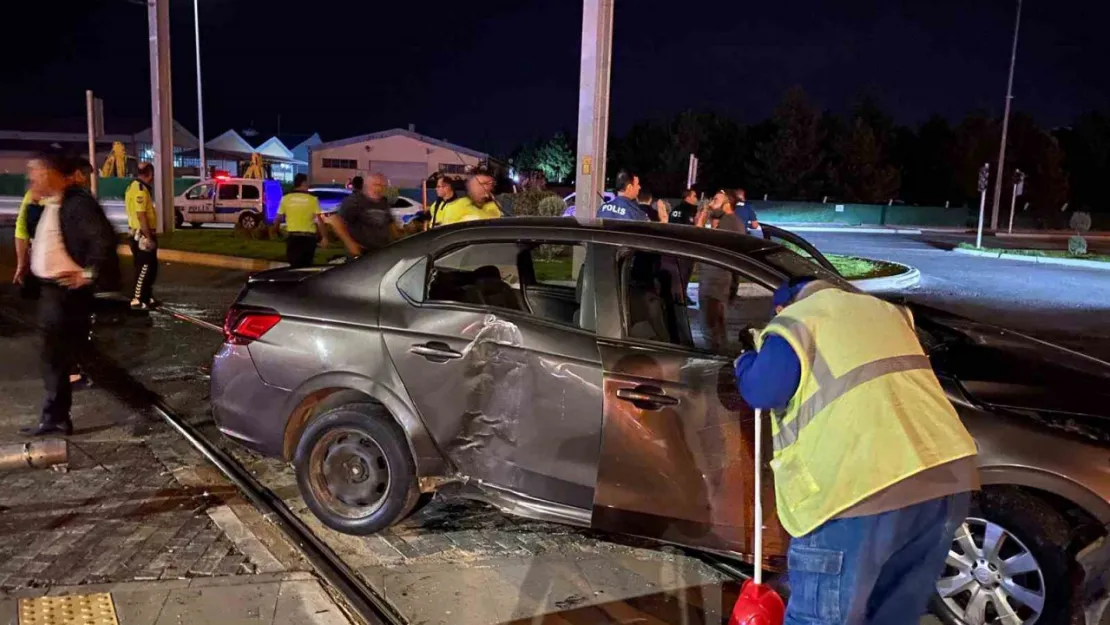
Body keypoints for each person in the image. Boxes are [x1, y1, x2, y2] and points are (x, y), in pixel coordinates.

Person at [733, 277, 979, 624]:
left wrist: (744, 362)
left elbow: (762, 390)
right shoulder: (887, 313)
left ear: (782, 306)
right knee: (892, 613)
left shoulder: (796, 322)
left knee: (821, 617)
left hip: (858, 491)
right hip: (945, 479)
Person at [21, 152, 119, 436]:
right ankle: (56, 415)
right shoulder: (53, 202)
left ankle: (56, 417)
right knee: (57, 355)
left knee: (56, 355)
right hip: (52, 292)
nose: (31, 179)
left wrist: (88, 274)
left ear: (52, 173)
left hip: (66, 293)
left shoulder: (78, 203)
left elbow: (103, 239)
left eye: (36, 173)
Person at [695, 191, 744, 349]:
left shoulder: (730, 223)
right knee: (717, 329)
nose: (711, 203)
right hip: (717, 281)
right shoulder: (729, 222)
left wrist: (704, 211)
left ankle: (717, 363)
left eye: (715, 200)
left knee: (711, 329)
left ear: (727, 204)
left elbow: (697, 234)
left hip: (714, 283)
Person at [329, 174, 395, 257]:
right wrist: (350, 244)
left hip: (382, 251)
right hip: (362, 253)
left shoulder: (383, 202)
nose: (380, 188)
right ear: (367, 185)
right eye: (377, 185)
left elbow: (390, 223)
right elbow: (336, 220)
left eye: (383, 185)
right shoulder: (354, 201)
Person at [124, 163, 159, 310]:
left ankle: (146, 297)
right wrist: (148, 236)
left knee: (151, 267)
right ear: (150, 173)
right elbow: (141, 215)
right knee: (144, 268)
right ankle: (137, 299)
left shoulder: (133, 186)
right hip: (142, 234)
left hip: (138, 233)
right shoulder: (140, 190)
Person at [275, 173, 328, 268]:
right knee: (306, 267)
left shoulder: (286, 199)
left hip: (293, 238)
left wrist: (277, 232)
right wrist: (324, 237)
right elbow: (319, 221)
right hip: (308, 240)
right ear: (303, 183)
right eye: (307, 182)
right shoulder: (312, 199)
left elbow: (278, 218)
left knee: (294, 266)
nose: (309, 185)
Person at [434, 170, 504, 225]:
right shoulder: (458, 205)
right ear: (469, 185)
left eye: (489, 184)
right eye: (481, 184)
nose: (485, 187)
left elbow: (493, 221)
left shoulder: (494, 206)